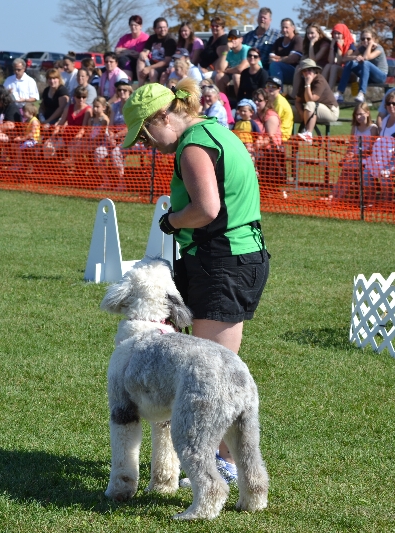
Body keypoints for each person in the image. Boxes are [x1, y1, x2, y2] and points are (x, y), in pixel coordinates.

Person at [121, 80, 269, 482]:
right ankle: (229, 463)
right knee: (214, 368)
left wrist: (172, 221)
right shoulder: (216, 130)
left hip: (222, 260)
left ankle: (223, 465)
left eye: (146, 134)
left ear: (163, 117)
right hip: (235, 256)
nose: (147, 145)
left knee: (210, 374)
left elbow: (206, 208)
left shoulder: (192, 147)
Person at [328, 101, 378, 201]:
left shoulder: (373, 128)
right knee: (344, 173)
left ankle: (338, 198)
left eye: (361, 114)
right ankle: (333, 195)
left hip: (367, 159)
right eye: (356, 114)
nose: (358, 117)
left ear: (367, 113)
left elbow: (372, 150)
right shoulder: (355, 128)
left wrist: (356, 155)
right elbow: (351, 146)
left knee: (349, 172)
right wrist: (347, 157)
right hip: (354, 158)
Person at [334, 28, 387, 104]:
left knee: (365, 63)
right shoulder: (361, 48)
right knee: (350, 63)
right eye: (363, 39)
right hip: (368, 76)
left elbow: (366, 58)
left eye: (368, 39)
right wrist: (355, 57)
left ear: (374, 39)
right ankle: (340, 93)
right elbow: (345, 59)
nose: (365, 41)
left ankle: (361, 93)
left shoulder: (379, 48)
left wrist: (370, 45)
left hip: (380, 76)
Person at [294, 59, 340, 142]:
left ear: (315, 70)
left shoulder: (320, 80)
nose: (307, 73)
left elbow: (310, 100)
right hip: (313, 111)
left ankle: (308, 134)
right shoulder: (303, 80)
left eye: (309, 70)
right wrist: (301, 113)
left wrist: (307, 84)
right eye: (304, 70)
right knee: (290, 110)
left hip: (331, 111)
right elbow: (297, 101)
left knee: (310, 105)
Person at [88, 97, 125, 190]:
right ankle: (106, 181)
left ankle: (120, 182)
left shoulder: (105, 120)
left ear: (104, 107)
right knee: (97, 152)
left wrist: (92, 143)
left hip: (107, 143)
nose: (95, 109)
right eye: (94, 106)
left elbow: (102, 135)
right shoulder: (91, 120)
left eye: (97, 107)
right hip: (97, 144)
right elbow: (88, 133)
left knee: (102, 152)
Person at [291, 25, 330, 97]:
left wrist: (312, 44)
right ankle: (294, 94)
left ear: (319, 33)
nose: (309, 35)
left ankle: (310, 95)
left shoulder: (325, 44)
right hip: (311, 67)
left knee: (304, 69)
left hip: (322, 68)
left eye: (312, 33)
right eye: (308, 33)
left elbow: (313, 60)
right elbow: (304, 57)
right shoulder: (307, 43)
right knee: (298, 68)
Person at [137, 17, 176, 85]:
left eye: (164, 27)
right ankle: (140, 87)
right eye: (160, 27)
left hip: (164, 66)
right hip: (152, 62)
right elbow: (146, 51)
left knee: (152, 72)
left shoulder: (170, 40)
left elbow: (167, 61)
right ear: (154, 29)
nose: (163, 29)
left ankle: (155, 93)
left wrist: (149, 68)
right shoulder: (152, 38)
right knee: (140, 60)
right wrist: (142, 54)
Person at [214, 30, 250, 97]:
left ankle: (240, 103)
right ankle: (223, 102)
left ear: (241, 39)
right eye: (230, 38)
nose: (233, 40)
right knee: (219, 76)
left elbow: (240, 69)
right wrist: (225, 51)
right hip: (236, 77)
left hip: (250, 77)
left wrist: (227, 70)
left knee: (236, 76)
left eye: (235, 38)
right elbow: (219, 69)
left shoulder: (246, 49)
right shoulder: (229, 52)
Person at [268, 18, 303, 86]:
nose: (284, 30)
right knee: (264, 72)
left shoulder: (297, 39)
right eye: (282, 27)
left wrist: (277, 59)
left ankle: (278, 93)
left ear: (293, 28)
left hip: (294, 71)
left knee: (275, 65)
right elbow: (270, 58)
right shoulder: (279, 41)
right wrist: (285, 58)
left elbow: (293, 59)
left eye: (287, 27)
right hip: (279, 69)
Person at [323, 24, 355, 95]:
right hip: (338, 72)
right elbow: (330, 61)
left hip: (350, 74)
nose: (336, 36)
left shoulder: (350, 45)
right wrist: (331, 47)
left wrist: (340, 48)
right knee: (328, 65)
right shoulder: (334, 44)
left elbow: (340, 62)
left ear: (344, 34)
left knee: (334, 67)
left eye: (339, 33)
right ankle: (321, 90)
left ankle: (328, 93)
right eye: (335, 33)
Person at [115, 15, 149, 80]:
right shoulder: (125, 38)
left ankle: (128, 81)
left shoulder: (146, 38)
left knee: (124, 59)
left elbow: (146, 54)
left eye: (135, 25)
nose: (133, 27)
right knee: (121, 59)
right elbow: (116, 51)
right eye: (131, 25)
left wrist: (124, 52)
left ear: (140, 26)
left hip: (139, 65)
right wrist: (128, 51)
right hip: (125, 63)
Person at [12, 102, 41, 170]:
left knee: (21, 147)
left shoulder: (34, 121)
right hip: (27, 140)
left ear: (31, 112)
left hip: (33, 141)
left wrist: (21, 139)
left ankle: (19, 164)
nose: (23, 113)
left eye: (25, 111)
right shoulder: (27, 121)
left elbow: (32, 134)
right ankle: (16, 162)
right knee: (15, 145)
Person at [265, 76, 293, 140]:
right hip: (274, 130)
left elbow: (275, 122)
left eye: (274, 87)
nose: (270, 88)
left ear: (279, 89)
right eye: (268, 86)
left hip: (282, 134)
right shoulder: (270, 99)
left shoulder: (280, 102)